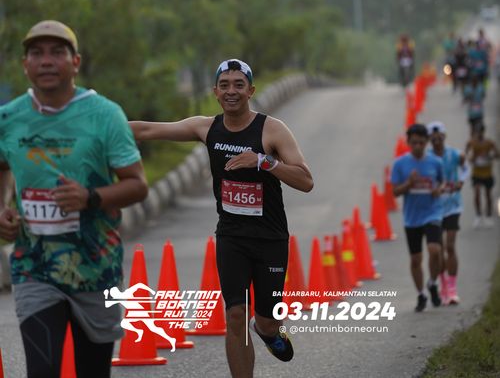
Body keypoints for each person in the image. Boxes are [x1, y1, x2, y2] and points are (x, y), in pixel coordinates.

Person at [130, 57, 313, 378]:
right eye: (224, 85)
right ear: (215, 91)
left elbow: (306, 181)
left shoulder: (272, 130)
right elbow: (147, 129)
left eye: (239, 85)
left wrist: (264, 162)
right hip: (231, 237)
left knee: (267, 320)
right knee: (235, 315)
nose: (231, 91)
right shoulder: (206, 128)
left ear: (250, 91)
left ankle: (268, 331)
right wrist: (96, 125)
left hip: (270, 239)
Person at [0, 20, 148, 378]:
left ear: (75, 62)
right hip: (34, 266)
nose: (46, 61)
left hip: (96, 268)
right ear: (25, 65)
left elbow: (138, 185)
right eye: (36, 53)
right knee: (43, 370)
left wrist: (90, 197)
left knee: (92, 372)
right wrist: (2, 207)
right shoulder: (9, 118)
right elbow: (2, 166)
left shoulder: (105, 115)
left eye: (57, 52)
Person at [391, 123, 444, 312]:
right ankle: (421, 293)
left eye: (421, 143)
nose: (418, 146)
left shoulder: (436, 162)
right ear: (408, 142)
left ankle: (433, 283)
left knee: (435, 250)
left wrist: (438, 189)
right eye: (414, 143)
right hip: (412, 218)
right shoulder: (400, 164)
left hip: (433, 212)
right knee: (416, 259)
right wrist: (409, 183)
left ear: (427, 142)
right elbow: (395, 192)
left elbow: (441, 182)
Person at [427, 121, 467, 305]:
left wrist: (461, 181)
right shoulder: (427, 158)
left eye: (439, 138)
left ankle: (452, 289)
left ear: (444, 137)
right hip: (435, 208)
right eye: (433, 139)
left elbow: (465, 168)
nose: (437, 141)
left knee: (450, 246)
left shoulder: (454, 154)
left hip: (453, 206)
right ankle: (443, 286)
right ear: (430, 139)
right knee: (439, 250)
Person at [465, 122, 499, 228]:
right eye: (477, 132)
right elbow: (466, 155)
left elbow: (497, 155)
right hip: (477, 173)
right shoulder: (471, 143)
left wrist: (489, 156)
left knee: (488, 195)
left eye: (481, 131)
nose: (479, 134)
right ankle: (478, 215)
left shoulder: (489, 143)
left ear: (484, 132)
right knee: (477, 192)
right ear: (475, 132)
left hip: (487, 173)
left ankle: (488, 215)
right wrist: (473, 158)